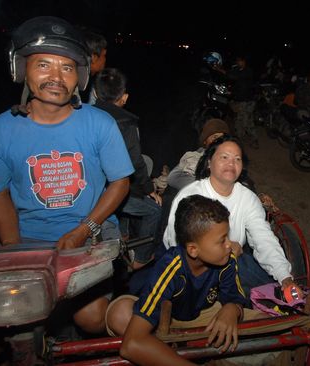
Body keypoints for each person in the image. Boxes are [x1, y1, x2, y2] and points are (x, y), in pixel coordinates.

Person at [0, 16, 133, 338]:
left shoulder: (100, 124)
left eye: (67, 68)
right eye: (44, 65)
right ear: (21, 69)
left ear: (80, 78)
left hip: (90, 237)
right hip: (28, 240)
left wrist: (83, 229)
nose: (56, 77)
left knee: (91, 318)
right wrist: (12, 247)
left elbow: (120, 182)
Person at [106, 194, 264, 365]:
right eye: (222, 240)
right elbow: (131, 345)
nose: (230, 244)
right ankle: (171, 349)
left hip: (202, 314)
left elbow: (234, 296)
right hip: (164, 318)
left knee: (271, 325)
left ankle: (175, 349)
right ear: (193, 250)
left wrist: (233, 309)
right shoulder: (171, 267)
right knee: (120, 314)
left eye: (228, 236)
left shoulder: (226, 260)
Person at [163, 135, 295, 296]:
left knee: (268, 290)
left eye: (237, 159)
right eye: (224, 157)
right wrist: (220, 250)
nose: (231, 163)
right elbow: (175, 243)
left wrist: (285, 277)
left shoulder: (247, 198)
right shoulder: (190, 196)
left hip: (232, 266)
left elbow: (263, 237)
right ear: (209, 163)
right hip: (193, 271)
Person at [94, 67, 162, 270]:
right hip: (110, 190)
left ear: (96, 94)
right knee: (155, 211)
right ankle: (142, 258)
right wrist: (150, 189)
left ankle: (122, 235)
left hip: (93, 187)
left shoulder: (85, 116)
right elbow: (135, 162)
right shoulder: (125, 123)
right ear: (124, 97)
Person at [167, 118, 231, 191]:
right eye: (215, 137)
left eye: (222, 138)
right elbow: (173, 178)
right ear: (205, 141)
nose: (218, 141)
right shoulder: (194, 157)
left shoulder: (231, 160)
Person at [213, 54, 258, 149]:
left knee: (247, 122)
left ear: (244, 61)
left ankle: (254, 140)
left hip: (248, 101)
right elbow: (229, 76)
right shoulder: (237, 69)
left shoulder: (248, 71)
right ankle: (240, 141)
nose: (238, 62)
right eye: (237, 61)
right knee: (238, 122)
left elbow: (233, 76)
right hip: (239, 100)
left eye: (240, 61)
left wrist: (220, 69)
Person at [81, 30, 108, 104]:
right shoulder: (82, 86)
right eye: (104, 55)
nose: (105, 59)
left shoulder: (89, 80)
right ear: (94, 58)